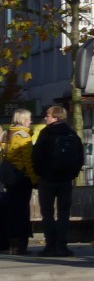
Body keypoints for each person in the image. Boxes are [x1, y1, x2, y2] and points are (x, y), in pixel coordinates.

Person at [31, 105, 85, 258]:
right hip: (66, 180)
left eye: (47, 115)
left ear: (55, 117)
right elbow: (80, 157)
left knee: (47, 213)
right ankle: (62, 246)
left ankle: (50, 246)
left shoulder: (46, 133)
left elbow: (36, 156)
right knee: (63, 213)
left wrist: (40, 173)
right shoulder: (72, 134)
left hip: (47, 180)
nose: (45, 118)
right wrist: (72, 174)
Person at [2, 109, 35, 255]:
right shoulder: (23, 136)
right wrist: (35, 179)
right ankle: (20, 246)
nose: (31, 122)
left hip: (10, 178)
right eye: (29, 119)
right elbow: (28, 160)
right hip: (22, 178)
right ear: (24, 120)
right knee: (22, 212)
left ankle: (11, 244)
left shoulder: (7, 134)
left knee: (12, 211)